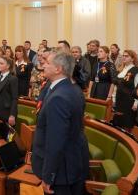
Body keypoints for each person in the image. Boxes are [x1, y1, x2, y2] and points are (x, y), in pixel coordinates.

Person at [32, 51, 89, 194]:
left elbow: (56, 141)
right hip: (71, 163)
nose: (43, 65)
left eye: (47, 63)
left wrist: (49, 176)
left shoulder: (59, 97)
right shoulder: (72, 89)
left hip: (61, 171)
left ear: (58, 69)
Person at [0, 56, 19, 138]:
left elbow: (14, 98)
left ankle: (10, 151)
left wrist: (12, 115)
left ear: (8, 66)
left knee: (9, 137)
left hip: (7, 113)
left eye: (1, 63)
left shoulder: (13, 79)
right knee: (2, 134)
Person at [112, 50, 138, 131]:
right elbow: (116, 86)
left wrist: (136, 102)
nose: (124, 57)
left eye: (127, 56)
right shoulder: (121, 69)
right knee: (118, 124)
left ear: (132, 58)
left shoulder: (136, 71)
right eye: (123, 56)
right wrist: (113, 98)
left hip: (129, 101)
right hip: (119, 100)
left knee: (127, 125)